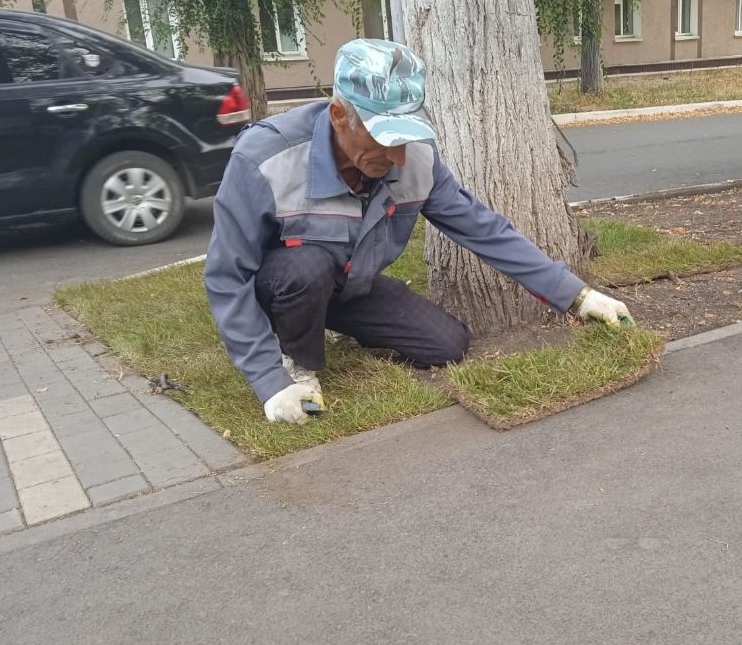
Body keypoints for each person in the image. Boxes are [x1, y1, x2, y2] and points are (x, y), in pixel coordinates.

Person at [205, 38, 633, 425]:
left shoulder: (418, 159)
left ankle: (319, 320)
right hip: (284, 285)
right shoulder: (265, 159)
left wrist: (577, 296)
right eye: (383, 137)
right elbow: (227, 276)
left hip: (348, 285)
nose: (396, 156)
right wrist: (269, 381)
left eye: (404, 136)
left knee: (447, 346)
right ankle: (296, 362)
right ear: (339, 116)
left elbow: (483, 230)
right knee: (306, 268)